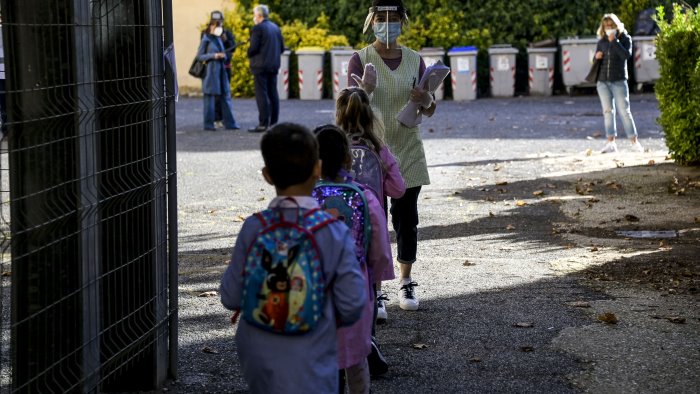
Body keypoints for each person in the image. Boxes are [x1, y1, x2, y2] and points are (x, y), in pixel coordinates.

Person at [220, 123, 366, 394]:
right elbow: (352, 304)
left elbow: (230, 297)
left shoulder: (253, 227)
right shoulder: (333, 231)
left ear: (267, 176)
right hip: (314, 354)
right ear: (317, 169)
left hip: (258, 357)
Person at [347, 0, 436, 311]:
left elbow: (431, 107)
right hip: (371, 151)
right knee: (373, 221)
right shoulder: (360, 60)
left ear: (402, 21)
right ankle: (376, 287)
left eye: (393, 17)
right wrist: (365, 91)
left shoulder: (415, 60)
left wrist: (426, 99)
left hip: (408, 148)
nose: (387, 23)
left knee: (406, 219)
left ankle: (406, 281)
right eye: (381, 18)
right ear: (372, 22)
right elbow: (349, 110)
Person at [313, 125, 392, 393]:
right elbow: (379, 248)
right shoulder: (364, 196)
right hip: (355, 287)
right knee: (356, 357)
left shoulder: (304, 197)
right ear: (348, 159)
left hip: (313, 289)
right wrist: (377, 275)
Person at [335, 86, 406, 323]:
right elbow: (398, 189)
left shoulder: (333, 147)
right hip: (370, 219)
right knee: (370, 257)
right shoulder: (378, 149)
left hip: (336, 219)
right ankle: (375, 299)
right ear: (370, 115)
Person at [594, 13, 644, 154]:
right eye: (606, 26)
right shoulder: (601, 41)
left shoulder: (625, 38)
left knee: (624, 111)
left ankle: (634, 142)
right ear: (603, 27)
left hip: (619, 80)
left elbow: (626, 56)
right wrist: (596, 57)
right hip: (602, 82)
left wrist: (614, 41)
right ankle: (611, 143)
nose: (609, 28)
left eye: (611, 25)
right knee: (608, 112)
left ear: (617, 26)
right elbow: (596, 61)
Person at [197, 17, 240, 131]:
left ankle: (230, 124)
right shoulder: (206, 39)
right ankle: (208, 125)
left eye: (220, 26)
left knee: (226, 97)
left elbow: (226, 53)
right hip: (211, 73)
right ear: (211, 27)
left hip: (221, 72)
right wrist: (214, 56)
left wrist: (223, 56)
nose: (219, 29)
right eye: (217, 26)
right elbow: (200, 56)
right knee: (209, 99)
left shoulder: (219, 39)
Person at [247, 4, 284, 133]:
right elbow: (282, 48)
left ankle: (263, 123)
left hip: (260, 67)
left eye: (254, 15)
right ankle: (273, 123)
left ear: (259, 15)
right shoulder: (275, 28)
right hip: (273, 65)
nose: (253, 18)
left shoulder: (258, 28)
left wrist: (248, 51)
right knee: (273, 93)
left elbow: (253, 49)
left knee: (261, 94)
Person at [208, 10, 237, 128]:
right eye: (215, 22)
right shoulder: (206, 34)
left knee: (225, 94)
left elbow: (233, 48)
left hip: (225, 67)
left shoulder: (227, 33)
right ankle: (215, 118)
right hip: (213, 68)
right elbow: (203, 49)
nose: (218, 25)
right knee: (214, 94)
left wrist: (225, 39)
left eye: (219, 22)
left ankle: (223, 118)